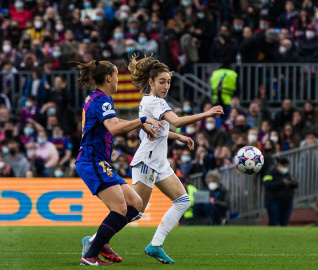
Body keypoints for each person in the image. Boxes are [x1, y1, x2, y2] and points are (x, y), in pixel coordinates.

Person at [127, 55, 224, 264]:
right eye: (162, 81)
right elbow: (178, 121)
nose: (166, 86)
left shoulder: (151, 101)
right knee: (134, 212)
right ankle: (95, 240)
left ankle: (155, 245)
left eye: (169, 82)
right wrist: (207, 113)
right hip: (148, 161)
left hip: (159, 162)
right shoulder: (155, 101)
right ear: (151, 82)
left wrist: (177, 136)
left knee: (182, 201)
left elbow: (160, 130)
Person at [75, 60, 162, 266]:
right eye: (116, 76)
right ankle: (89, 256)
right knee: (120, 209)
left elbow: (113, 122)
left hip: (100, 162)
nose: (118, 80)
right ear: (108, 78)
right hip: (92, 161)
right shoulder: (102, 100)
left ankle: (97, 240)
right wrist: (142, 120)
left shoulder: (99, 98)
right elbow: (114, 128)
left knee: (136, 204)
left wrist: (142, 124)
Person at [262, 157, 298, 226]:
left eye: (286, 166)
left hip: (287, 201)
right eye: (284, 166)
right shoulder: (270, 173)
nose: (285, 168)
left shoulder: (288, 174)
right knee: (274, 221)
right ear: (279, 165)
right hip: (273, 201)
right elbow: (267, 185)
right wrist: (282, 183)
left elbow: (292, 183)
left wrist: (294, 184)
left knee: (284, 223)